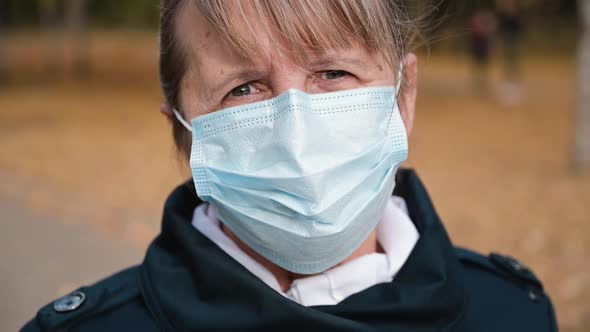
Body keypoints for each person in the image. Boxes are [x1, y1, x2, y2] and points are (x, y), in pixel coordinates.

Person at [22, 1, 558, 331]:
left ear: (403, 96)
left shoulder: (514, 313)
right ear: (183, 131)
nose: (295, 131)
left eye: (332, 73)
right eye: (244, 88)